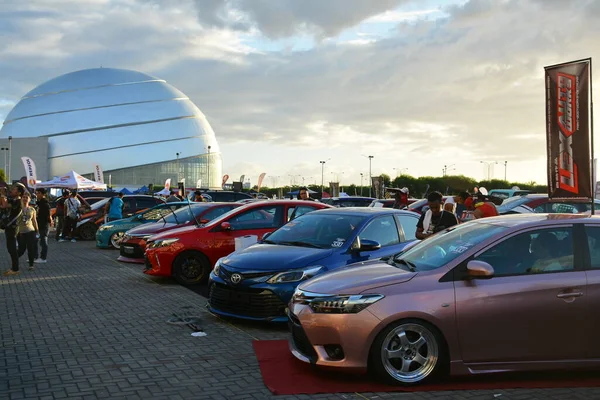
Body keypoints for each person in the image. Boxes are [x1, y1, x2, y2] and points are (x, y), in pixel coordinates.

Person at [1, 183, 25, 276]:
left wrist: (3, 193)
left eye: (14, 189)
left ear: (19, 192)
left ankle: (15, 269)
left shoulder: (18, 201)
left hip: (12, 227)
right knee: (11, 248)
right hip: (10, 227)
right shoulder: (14, 199)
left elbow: (5, 205)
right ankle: (14, 267)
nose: (11, 190)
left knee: (12, 249)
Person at [17, 192, 39, 270]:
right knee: (21, 250)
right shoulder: (18, 208)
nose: (25, 199)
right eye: (23, 197)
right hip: (21, 232)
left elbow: (34, 220)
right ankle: (14, 262)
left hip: (31, 231)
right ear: (21, 198)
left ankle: (31, 265)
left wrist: (37, 230)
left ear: (29, 199)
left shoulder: (32, 209)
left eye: (27, 197)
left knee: (31, 248)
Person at [34, 188, 52, 263]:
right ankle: (35, 257)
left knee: (43, 242)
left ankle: (43, 258)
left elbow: (48, 216)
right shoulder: (39, 203)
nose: (37, 195)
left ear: (42, 194)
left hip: (43, 226)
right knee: (35, 241)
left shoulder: (45, 204)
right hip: (37, 225)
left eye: (38, 193)